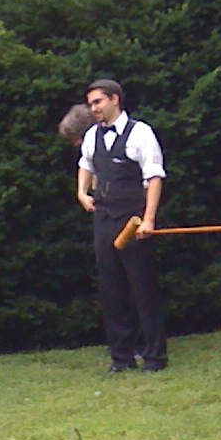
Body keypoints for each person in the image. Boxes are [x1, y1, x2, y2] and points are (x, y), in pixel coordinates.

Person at [76, 78, 167, 372]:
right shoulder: (92, 135)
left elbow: (154, 177)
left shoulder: (141, 133)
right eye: (91, 104)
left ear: (114, 99)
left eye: (98, 102)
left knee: (143, 288)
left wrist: (149, 219)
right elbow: (85, 164)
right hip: (103, 219)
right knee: (111, 290)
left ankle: (154, 356)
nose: (93, 109)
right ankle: (121, 357)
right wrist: (82, 193)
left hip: (133, 219)